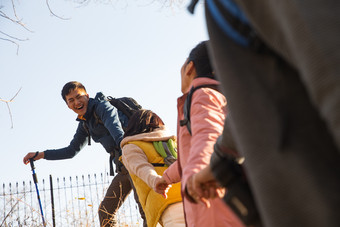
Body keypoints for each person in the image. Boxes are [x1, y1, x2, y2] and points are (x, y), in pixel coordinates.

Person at [186, 0, 340, 226]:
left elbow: (329, 67)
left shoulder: (201, 94)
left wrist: (202, 166)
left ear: (189, 69)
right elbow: (251, 105)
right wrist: (220, 163)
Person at [22, 81, 146, 227]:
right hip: (123, 167)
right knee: (106, 212)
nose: (77, 102)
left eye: (79, 97)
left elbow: (117, 132)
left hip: (136, 159)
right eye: (71, 100)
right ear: (68, 105)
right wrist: (41, 154)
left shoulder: (103, 107)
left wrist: (127, 153)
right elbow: (71, 151)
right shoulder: (85, 124)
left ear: (87, 95)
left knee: (145, 209)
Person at [154, 41, 244, 227]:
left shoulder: (203, 95)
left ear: (190, 67)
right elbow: (188, 158)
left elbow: (208, 135)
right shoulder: (224, 96)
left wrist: (199, 175)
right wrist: (166, 178)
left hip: (209, 203)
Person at [120, 109, 185, 227]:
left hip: (166, 204)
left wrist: (155, 181)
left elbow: (142, 168)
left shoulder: (131, 146)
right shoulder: (174, 143)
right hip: (193, 197)